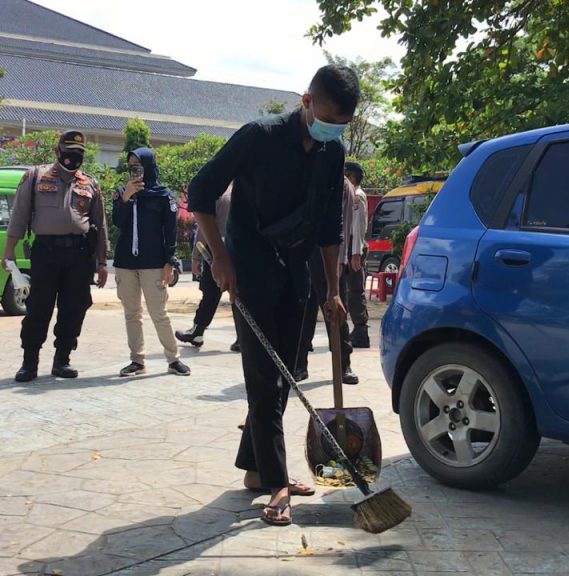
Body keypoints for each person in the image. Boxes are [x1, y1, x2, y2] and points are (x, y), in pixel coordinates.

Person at [188, 64, 360, 527]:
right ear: (306, 101)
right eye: (327, 119)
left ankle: (256, 468)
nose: (332, 130)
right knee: (264, 376)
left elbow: (329, 226)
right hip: (251, 270)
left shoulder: (331, 152)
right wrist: (221, 259)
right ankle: (277, 481)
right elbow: (200, 191)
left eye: (341, 125)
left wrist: (331, 288)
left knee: (286, 372)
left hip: (297, 269)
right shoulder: (259, 136)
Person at [1, 130, 108, 382]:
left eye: (79, 153)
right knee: (39, 306)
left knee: (74, 308)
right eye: (69, 152)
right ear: (57, 152)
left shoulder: (90, 184)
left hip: (79, 255)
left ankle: (62, 360)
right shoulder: (35, 176)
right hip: (46, 252)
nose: (74, 157)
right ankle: (29, 362)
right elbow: (19, 216)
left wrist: (102, 262)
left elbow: (100, 225)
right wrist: (9, 251)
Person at [112, 148, 191, 377]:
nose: (135, 170)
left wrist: (170, 262)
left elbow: (171, 231)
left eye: (139, 165)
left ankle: (173, 359)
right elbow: (118, 222)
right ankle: (137, 360)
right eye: (131, 166)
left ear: (149, 166)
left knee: (159, 312)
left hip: (154, 263)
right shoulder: (122, 192)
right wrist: (126, 198)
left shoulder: (163, 195)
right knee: (131, 313)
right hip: (126, 262)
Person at [295, 175, 359, 384]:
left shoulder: (343, 186)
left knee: (336, 308)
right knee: (304, 308)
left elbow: (347, 225)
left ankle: (343, 364)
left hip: (330, 254)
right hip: (305, 250)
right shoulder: (306, 174)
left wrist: (342, 258)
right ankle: (299, 364)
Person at [176, 186, 240, 351]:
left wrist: (196, 256)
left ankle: (197, 331)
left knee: (210, 293)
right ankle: (243, 337)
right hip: (240, 249)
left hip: (216, 249)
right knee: (238, 293)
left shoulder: (216, 194)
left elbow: (205, 228)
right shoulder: (242, 191)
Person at [344, 161, 370, 347]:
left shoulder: (357, 197)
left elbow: (357, 227)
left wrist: (355, 253)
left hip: (355, 247)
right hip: (351, 246)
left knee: (355, 290)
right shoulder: (351, 196)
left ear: (352, 177)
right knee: (349, 290)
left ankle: (361, 331)